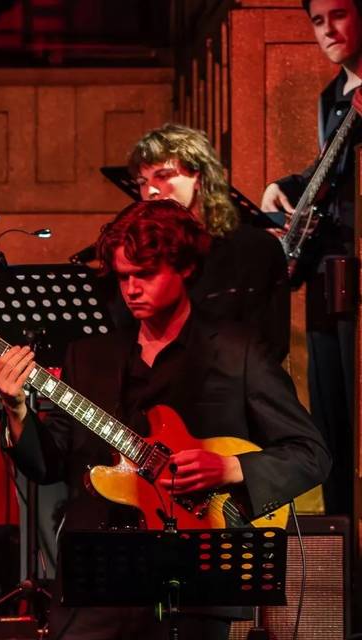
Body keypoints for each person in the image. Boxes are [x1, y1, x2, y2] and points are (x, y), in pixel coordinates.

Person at [0, 200, 330, 640]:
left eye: (145, 275)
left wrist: (230, 467)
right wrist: (16, 409)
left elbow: (311, 454)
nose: (131, 289)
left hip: (197, 576)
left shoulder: (236, 352)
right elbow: (47, 464)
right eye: (123, 276)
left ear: (185, 267)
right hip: (98, 579)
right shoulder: (89, 356)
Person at [259, 0, 360, 516]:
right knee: (331, 424)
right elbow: (333, 171)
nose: (327, 31)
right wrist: (286, 185)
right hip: (327, 276)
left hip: (357, 273)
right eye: (317, 22)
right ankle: (347, 558)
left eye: (338, 15)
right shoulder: (333, 96)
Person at [127, 123, 290, 362]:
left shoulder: (254, 248)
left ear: (199, 177)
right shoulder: (140, 253)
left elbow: (269, 345)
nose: (150, 191)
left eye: (162, 176)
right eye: (142, 181)